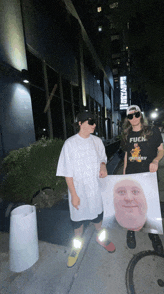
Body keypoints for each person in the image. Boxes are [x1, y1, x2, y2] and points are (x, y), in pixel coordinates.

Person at [56, 110, 116, 268]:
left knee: (98, 218)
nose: (94, 125)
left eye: (94, 122)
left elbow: (103, 158)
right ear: (80, 124)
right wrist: (74, 195)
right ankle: (76, 247)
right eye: (90, 122)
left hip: (95, 190)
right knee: (77, 223)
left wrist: (103, 166)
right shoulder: (70, 144)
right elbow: (67, 173)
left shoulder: (97, 141)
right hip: (78, 192)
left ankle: (101, 238)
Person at [121, 105, 164, 253]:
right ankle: (131, 231)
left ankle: (154, 235)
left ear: (141, 115)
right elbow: (127, 154)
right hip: (132, 176)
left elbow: (161, 150)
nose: (134, 118)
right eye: (130, 116)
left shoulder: (152, 131)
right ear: (128, 119)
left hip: (148, 175)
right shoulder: (127, 134)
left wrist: (156, 161)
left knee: (150, 207)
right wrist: (124, 173)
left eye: (136, 114)